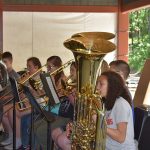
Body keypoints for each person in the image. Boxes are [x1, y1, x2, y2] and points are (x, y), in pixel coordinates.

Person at [54, 71, 136, 150]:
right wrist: (75, 127)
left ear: (112, 86)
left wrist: (98, 123)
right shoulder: (105, 102)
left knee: (64, 141)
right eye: (97, 83)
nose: (97, 87)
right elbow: (94, 127)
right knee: (63, 140)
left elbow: (120, 137)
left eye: (101, 84)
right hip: (104, 146)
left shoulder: (121, 104)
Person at [1, 57, 42, 150]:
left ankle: (18, 140)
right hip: (26, 101)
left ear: (36, 67)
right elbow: (21, 94)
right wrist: (21, 83)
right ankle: (10, 136)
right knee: (3, 109)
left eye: (29, 66)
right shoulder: (29, 77)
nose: (27, 69)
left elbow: (38, 95)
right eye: (27, 66)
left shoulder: (41, 78)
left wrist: (27, 88)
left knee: (12, 112)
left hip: (36, 103)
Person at [34, 59, 76, 149]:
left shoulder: (69, 82)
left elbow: (75, 104)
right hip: (59, 111)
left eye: (73, 70)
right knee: (35, 127)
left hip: (66, 116)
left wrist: (67, 92)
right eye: (70, 69)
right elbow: (51, 98)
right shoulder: (71, 83)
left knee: (41, 131)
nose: (70, 72)